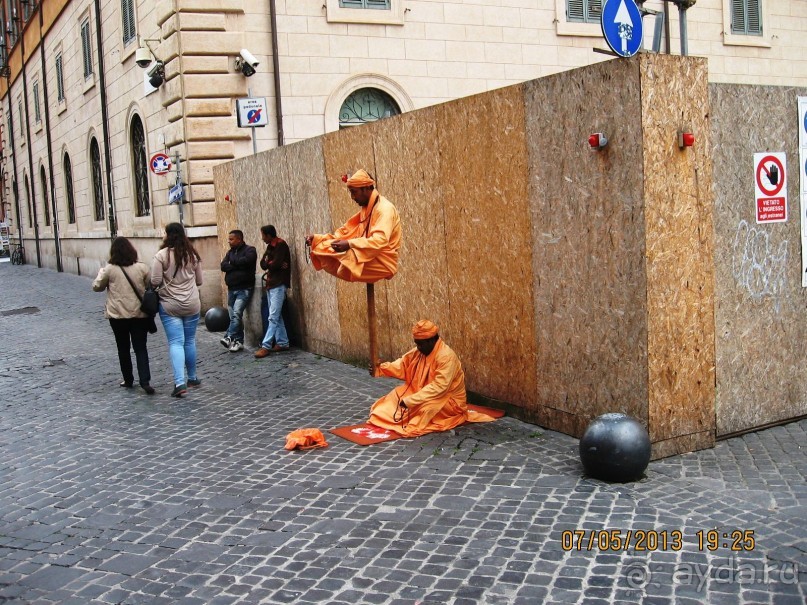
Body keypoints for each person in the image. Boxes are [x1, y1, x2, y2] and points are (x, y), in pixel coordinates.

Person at [368, 320, 494, 437]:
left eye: (420, 344)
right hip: (420, 393)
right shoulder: (420, 351)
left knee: (424, 411)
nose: (418, 347)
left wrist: (411, 400)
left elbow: (439, 387)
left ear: (431, 340)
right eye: (416, 344)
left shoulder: (446, 356)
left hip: (446, 400)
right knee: (393, 397)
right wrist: (380, 368)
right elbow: (402, 365)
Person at [305, 169, 402, 283]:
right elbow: (345, 233)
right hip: (368, 255)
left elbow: (379, 241)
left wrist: (350, 244)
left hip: (384, 263)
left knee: (346, 256)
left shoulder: (384, 209)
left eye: (354, 192)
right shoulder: (368, 210)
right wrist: (318, 238)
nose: (353, 197)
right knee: (324, 247)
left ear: (365, 188)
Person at [92, 237, 155, 395]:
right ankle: (145, 380)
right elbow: (150, 285)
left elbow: (96, 287)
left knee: (123, 348)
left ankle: (128, 379)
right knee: (140, 348)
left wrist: (101, 272)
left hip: (118, 315)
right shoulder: (142, 268)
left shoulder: (109, 269)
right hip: (139, 314)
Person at [151, 223, 203, 397]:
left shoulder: (161, 256)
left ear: (167, 235)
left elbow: (155, 281)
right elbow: (200, 281)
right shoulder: (193, 255)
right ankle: (193, 377)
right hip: (192, 304)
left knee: (176, 342)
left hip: (170, 305)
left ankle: (180, 383)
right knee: (189, 341)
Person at [254, 225, 291, 358]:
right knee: (276, 314)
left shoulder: (280, 245)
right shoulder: (270, 246)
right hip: (271, 283)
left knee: (273, 316)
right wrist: (271, 263)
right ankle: (282, 342)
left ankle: (266, 345)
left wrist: (271, 263)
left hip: (278, 283)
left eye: (263, 235)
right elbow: (263, 264)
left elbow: (273, 264)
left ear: (269, 235)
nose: (262, 238)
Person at [219, 229, 257, 353]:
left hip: (244, 288)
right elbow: (223, 265)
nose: (229, 241)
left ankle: (229, 337)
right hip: (231, 289)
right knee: (234, 317)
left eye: (231, 239)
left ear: (239, 239)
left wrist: (233, 264)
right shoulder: (230, 252)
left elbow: (247, 262)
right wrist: (236, 265)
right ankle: (239, 341)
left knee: (236, 313)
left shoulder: (250, 250)